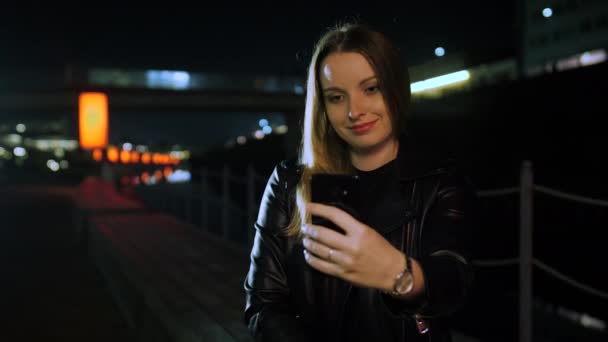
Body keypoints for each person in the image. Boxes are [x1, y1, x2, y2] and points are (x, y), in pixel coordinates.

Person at [244, 22, 476, 342]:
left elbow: (455, 280)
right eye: (337, 97)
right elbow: (263, 306)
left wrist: (403, 276)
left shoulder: (440, 181)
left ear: (395, 87)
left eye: (371, 88)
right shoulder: (288, 182)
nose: (354, 111)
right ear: (323, 106)